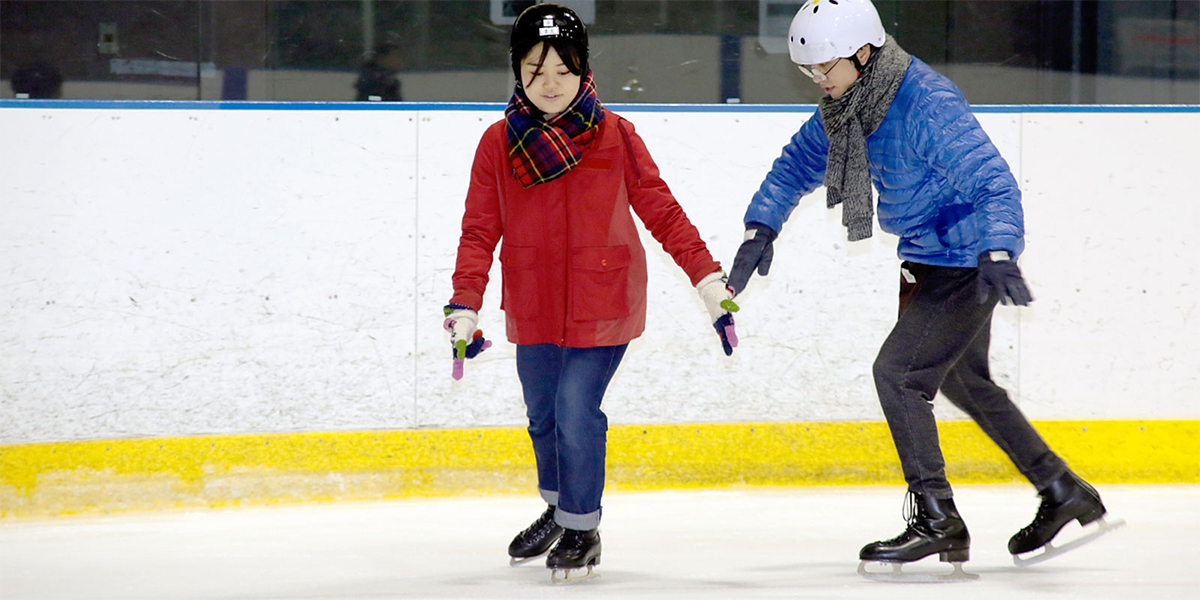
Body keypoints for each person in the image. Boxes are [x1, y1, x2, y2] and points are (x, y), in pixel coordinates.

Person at [727, 0, 1115, 576]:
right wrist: (762, 226)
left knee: (901, 376)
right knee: (965, 381)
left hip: (966, 259)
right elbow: (798, 164)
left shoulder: (924, 104)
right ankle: (1061, 490)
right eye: (808, 70)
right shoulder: (852, 104)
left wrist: (999, 250)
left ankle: (937, 518)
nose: (816, 80)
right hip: (926, 259)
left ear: (863, 52)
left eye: (823, 67)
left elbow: (993, 183)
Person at [443, 3, 737, 581]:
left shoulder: (615, 136)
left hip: (603, 303)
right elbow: (479, 230)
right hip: (534, 301)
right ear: (518, 71)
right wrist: (465, 304)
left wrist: (708, 280)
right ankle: (557, 508)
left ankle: (582, 526)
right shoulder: (498, 144)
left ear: (582, 70)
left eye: (563, 69)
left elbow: (663, 213)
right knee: (541, 415)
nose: (550, 83)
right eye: (535, 69)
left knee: (576, 410)